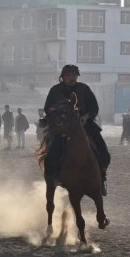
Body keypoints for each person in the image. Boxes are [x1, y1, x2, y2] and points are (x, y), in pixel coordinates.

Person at [43, 64, 111, 196]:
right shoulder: (55, 90)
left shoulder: (84, 89)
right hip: (63, 127)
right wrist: (57, 117)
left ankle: (101, 179)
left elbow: (94, 108)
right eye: (68, 75)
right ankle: (54, 178)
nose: (71, 78)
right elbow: (48, 108)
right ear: (62, 77)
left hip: (84, 125)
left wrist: (86, 117)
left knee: (103, 152)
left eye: (74, 75)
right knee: (52, 153)